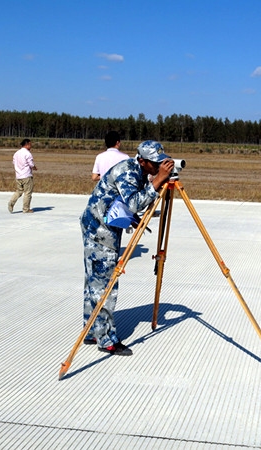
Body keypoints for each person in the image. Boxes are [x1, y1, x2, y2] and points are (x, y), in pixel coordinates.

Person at [80, 140, 174, 355]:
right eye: (155, 164)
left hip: (101, 224)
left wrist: (128, 215)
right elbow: (133, 202)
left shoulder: (137, 170)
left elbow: (122, 201)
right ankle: (106, 339)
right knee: (104, 284)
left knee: (95, 281)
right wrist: (159, 180)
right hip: (99, 231)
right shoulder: (128, 171)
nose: (159, 167)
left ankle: (92, 330)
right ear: (142, 161)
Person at [8, 139, 37, 213]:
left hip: (18, 176)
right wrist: (34, 167)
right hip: (26, 175)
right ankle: (26, 209)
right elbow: (31, 164)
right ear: (27, 144)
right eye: (30, 144)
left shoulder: (16, 153)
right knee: (27, 192)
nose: (31, 146)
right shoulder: (27, 153)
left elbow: (14, 162)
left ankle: (11, 202)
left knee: (19, 191)